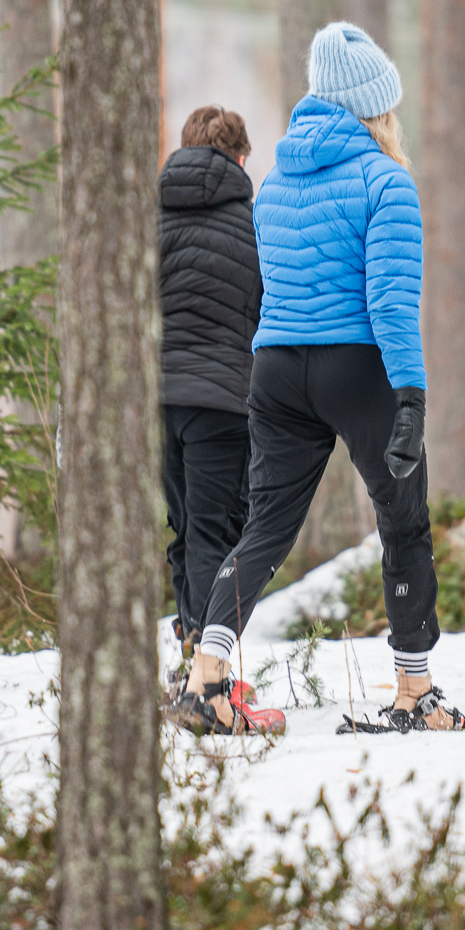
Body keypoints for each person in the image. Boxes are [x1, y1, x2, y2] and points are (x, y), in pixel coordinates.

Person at [172, 21, 465, 735]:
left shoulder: (273, 183)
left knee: (265, 527)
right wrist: (410, 397)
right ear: (376, 106)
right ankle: (415, 691)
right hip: (356, 365)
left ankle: (207, 676)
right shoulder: (385, 181)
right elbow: (391, 304)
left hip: (276, 368)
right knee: (403, 522)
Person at [158, 106, 263, 689]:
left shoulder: (148, 220)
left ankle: (191, 650)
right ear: (241, 158)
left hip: (156, 402)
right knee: (217, 533)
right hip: (223, 403)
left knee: (183, 528)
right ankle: (209, 672)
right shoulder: (253, 228)